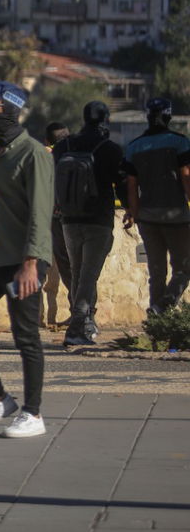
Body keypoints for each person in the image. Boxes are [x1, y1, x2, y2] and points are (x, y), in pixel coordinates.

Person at [0, 82, 55, 439]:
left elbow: (40, 213)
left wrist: (32, 262)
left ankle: (33, 413)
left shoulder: (33, 154)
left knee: (26, 336)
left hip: (23, 261)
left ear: (13, 111)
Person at [51, 105, 123, 346]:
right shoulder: (109, 149)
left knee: (78, 272)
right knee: (88, 275)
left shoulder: (63, 146)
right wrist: (133, 211)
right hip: (98, 219)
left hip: (69, 219)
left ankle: (85, 322)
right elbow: (122, 183)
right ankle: (77, 326)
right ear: (106, 119)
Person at [121, 98, 190, 315]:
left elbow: (131, 186)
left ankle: (155, 324)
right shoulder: (180, 142)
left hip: (148, 218)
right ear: (168, 117)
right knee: (184, 269)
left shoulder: (134, 146)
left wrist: (133, 213)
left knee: (157, 272)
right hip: (176, 217)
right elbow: (186, 176)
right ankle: (163, 306)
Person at [43, 122, 73, 331]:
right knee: (81, 267)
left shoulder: (47, 156)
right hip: (80, 217)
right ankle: (85, 311)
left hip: (57, 218)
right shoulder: (77, 154)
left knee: (66, 267)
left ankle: (80, 312)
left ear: (47, 140)